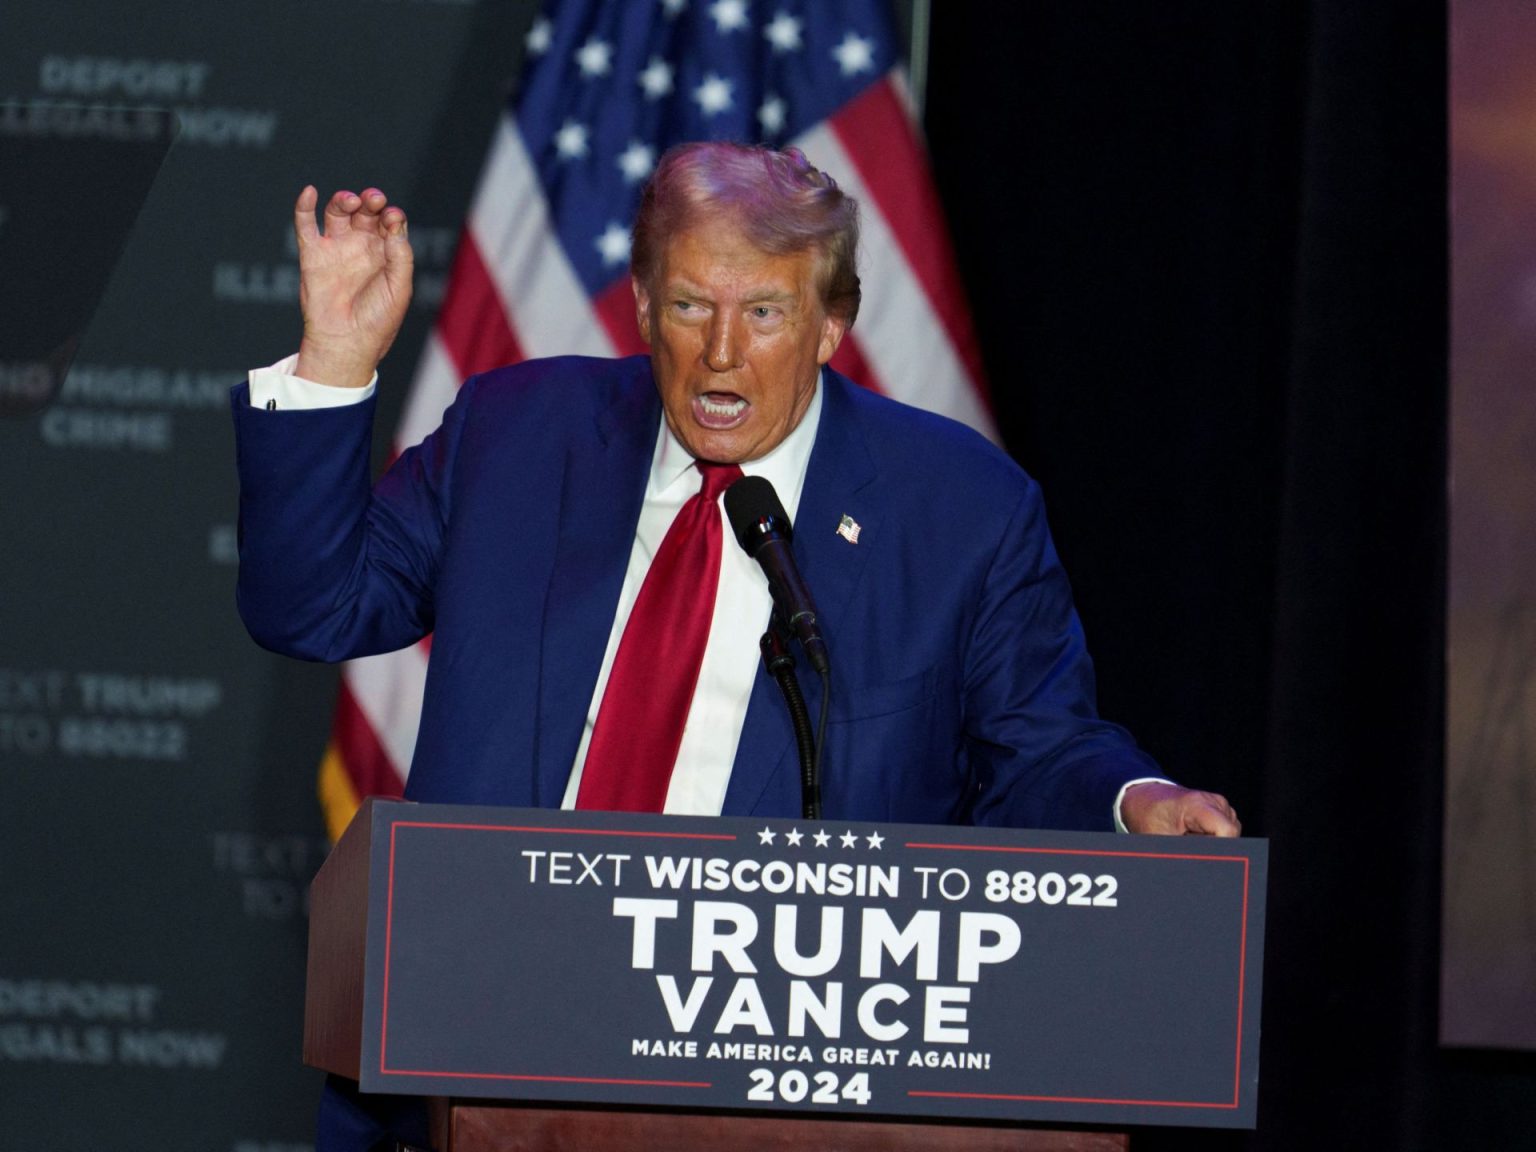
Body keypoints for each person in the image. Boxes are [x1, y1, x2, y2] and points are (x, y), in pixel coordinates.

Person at [233, 143, 1239, 1150]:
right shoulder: (518, 433)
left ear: (832, 324)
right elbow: (314, 608)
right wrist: (336, 363)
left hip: (761, 1100)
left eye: (763, 312)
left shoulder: (961, 513)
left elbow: (1038, 745)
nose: (721, 353)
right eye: (688, 306)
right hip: (469, 1063)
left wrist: (1133, 802)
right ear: (641, 303)